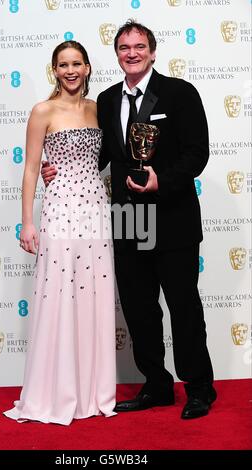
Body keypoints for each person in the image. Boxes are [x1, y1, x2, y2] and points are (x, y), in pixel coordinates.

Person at [41, 20, 217, 420]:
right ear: (117, 53)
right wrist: (61, 169)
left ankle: (199, 388)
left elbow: (197, 153)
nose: (132, 53)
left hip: (172, 217)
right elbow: (103, 156)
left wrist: (162, 180)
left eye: (139, 46)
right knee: (139, 310)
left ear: (153, 51)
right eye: (124, 47)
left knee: (183, 306)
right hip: (126, 218)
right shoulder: (105, 100)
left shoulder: (180, 93)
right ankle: (156, 385)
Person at [4, 40, 117, 426]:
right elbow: (32, 169)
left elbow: (108, 158)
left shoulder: (99, 110)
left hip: (96, 211)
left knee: (94, 296)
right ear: (54, 70)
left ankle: (92, 392)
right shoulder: (42, 111)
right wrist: (27, 222)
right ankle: (56, 390)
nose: (70, 71)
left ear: (87, 68)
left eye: (77, 64)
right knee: (60, 294)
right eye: (63, 65)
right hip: (59, 211)